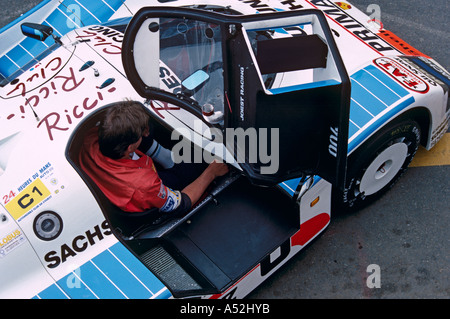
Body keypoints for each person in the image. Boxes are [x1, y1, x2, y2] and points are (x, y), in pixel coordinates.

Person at [79, 100, 228, 217]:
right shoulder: (146, 185)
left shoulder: (90, 137)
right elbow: (181, 204)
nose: (145, 133)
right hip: (139, 194)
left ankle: (166, 157)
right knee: (193, 168)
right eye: (141, 134)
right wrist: (211, 172)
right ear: (130, 147)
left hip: (117, 177)